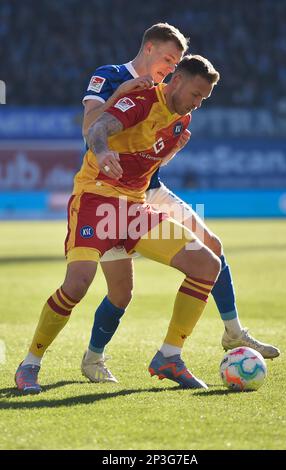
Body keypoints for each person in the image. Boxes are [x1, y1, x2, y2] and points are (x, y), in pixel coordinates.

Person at [79, 23, 280, 384]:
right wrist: (120, 94)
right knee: (120, 293)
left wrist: (170, 151)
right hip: (108, 191)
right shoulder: (111, 77)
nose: (171, 68)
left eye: (177, 63)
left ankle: (232, 331)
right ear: (150, 48)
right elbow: (91, 128)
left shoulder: (169, 92)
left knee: (213, 250)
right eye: (168, 58)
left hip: (150, 189)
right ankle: (91, 357)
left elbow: (153, 150)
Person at [15, 54, 222, 393]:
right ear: (179, 81)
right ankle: (30, 364)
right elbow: (98, 129)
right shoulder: (141, 99)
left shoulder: (181, 122)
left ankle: (169, 356)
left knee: (206, 264)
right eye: (197, 95)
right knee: (78, 284)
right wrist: (102, 152)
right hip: (95, 200)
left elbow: (149, 161)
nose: (198, 104)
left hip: (134, 209)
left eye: (204, 99)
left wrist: (171, 153)